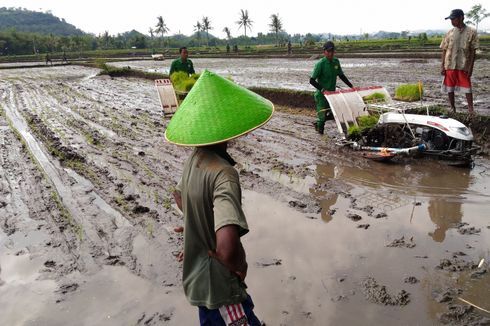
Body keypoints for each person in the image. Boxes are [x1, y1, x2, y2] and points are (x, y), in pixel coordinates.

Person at [166, 70, 273, 326]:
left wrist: (195, 226)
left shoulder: (195, 158)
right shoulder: (224, 174)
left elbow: (178, 196)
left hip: (199, 280)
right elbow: (226, 247)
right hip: (221, 290)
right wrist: (238, 266)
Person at [309, 41, 354, 134]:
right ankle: (320, 135)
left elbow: (341, 75)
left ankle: (317, 123)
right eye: (328, 51)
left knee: (333, 114)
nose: (331, 53)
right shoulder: (320, 64)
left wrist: (351, 86)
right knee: (322, 119)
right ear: (324, 52)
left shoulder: (336, 62)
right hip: (322, 96)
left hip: (332, 95)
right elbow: (312, 80)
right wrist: (322, 90)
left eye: (332, 51)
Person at [440, 9, 479, 114]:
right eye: (451, 19)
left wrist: (470, 67)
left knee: (467, 87)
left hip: (463, 65)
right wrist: (442, 66)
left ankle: (471, 109)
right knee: (449, 88)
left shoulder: (471, 32)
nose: (452, 21)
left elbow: (473, 51)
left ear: (461, 17)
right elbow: (444, 49)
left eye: (454, 19)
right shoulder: (450, 33)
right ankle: (453, 108)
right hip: (450, 64)